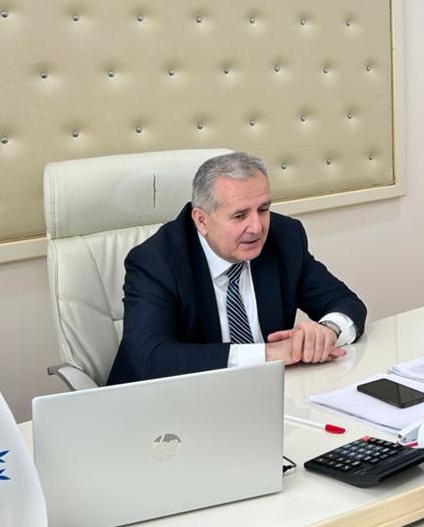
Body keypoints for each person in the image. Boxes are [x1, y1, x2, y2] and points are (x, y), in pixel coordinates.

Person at [106, 152, 367, 385]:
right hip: (170, 406)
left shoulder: (284, 237)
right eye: (240, 216)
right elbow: (150, 357)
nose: (257, 227)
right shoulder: (156, 261)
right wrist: (269, 354)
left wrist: (326, 332)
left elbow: (347, 303)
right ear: (201, 220)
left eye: (263, 209)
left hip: (266, 397)